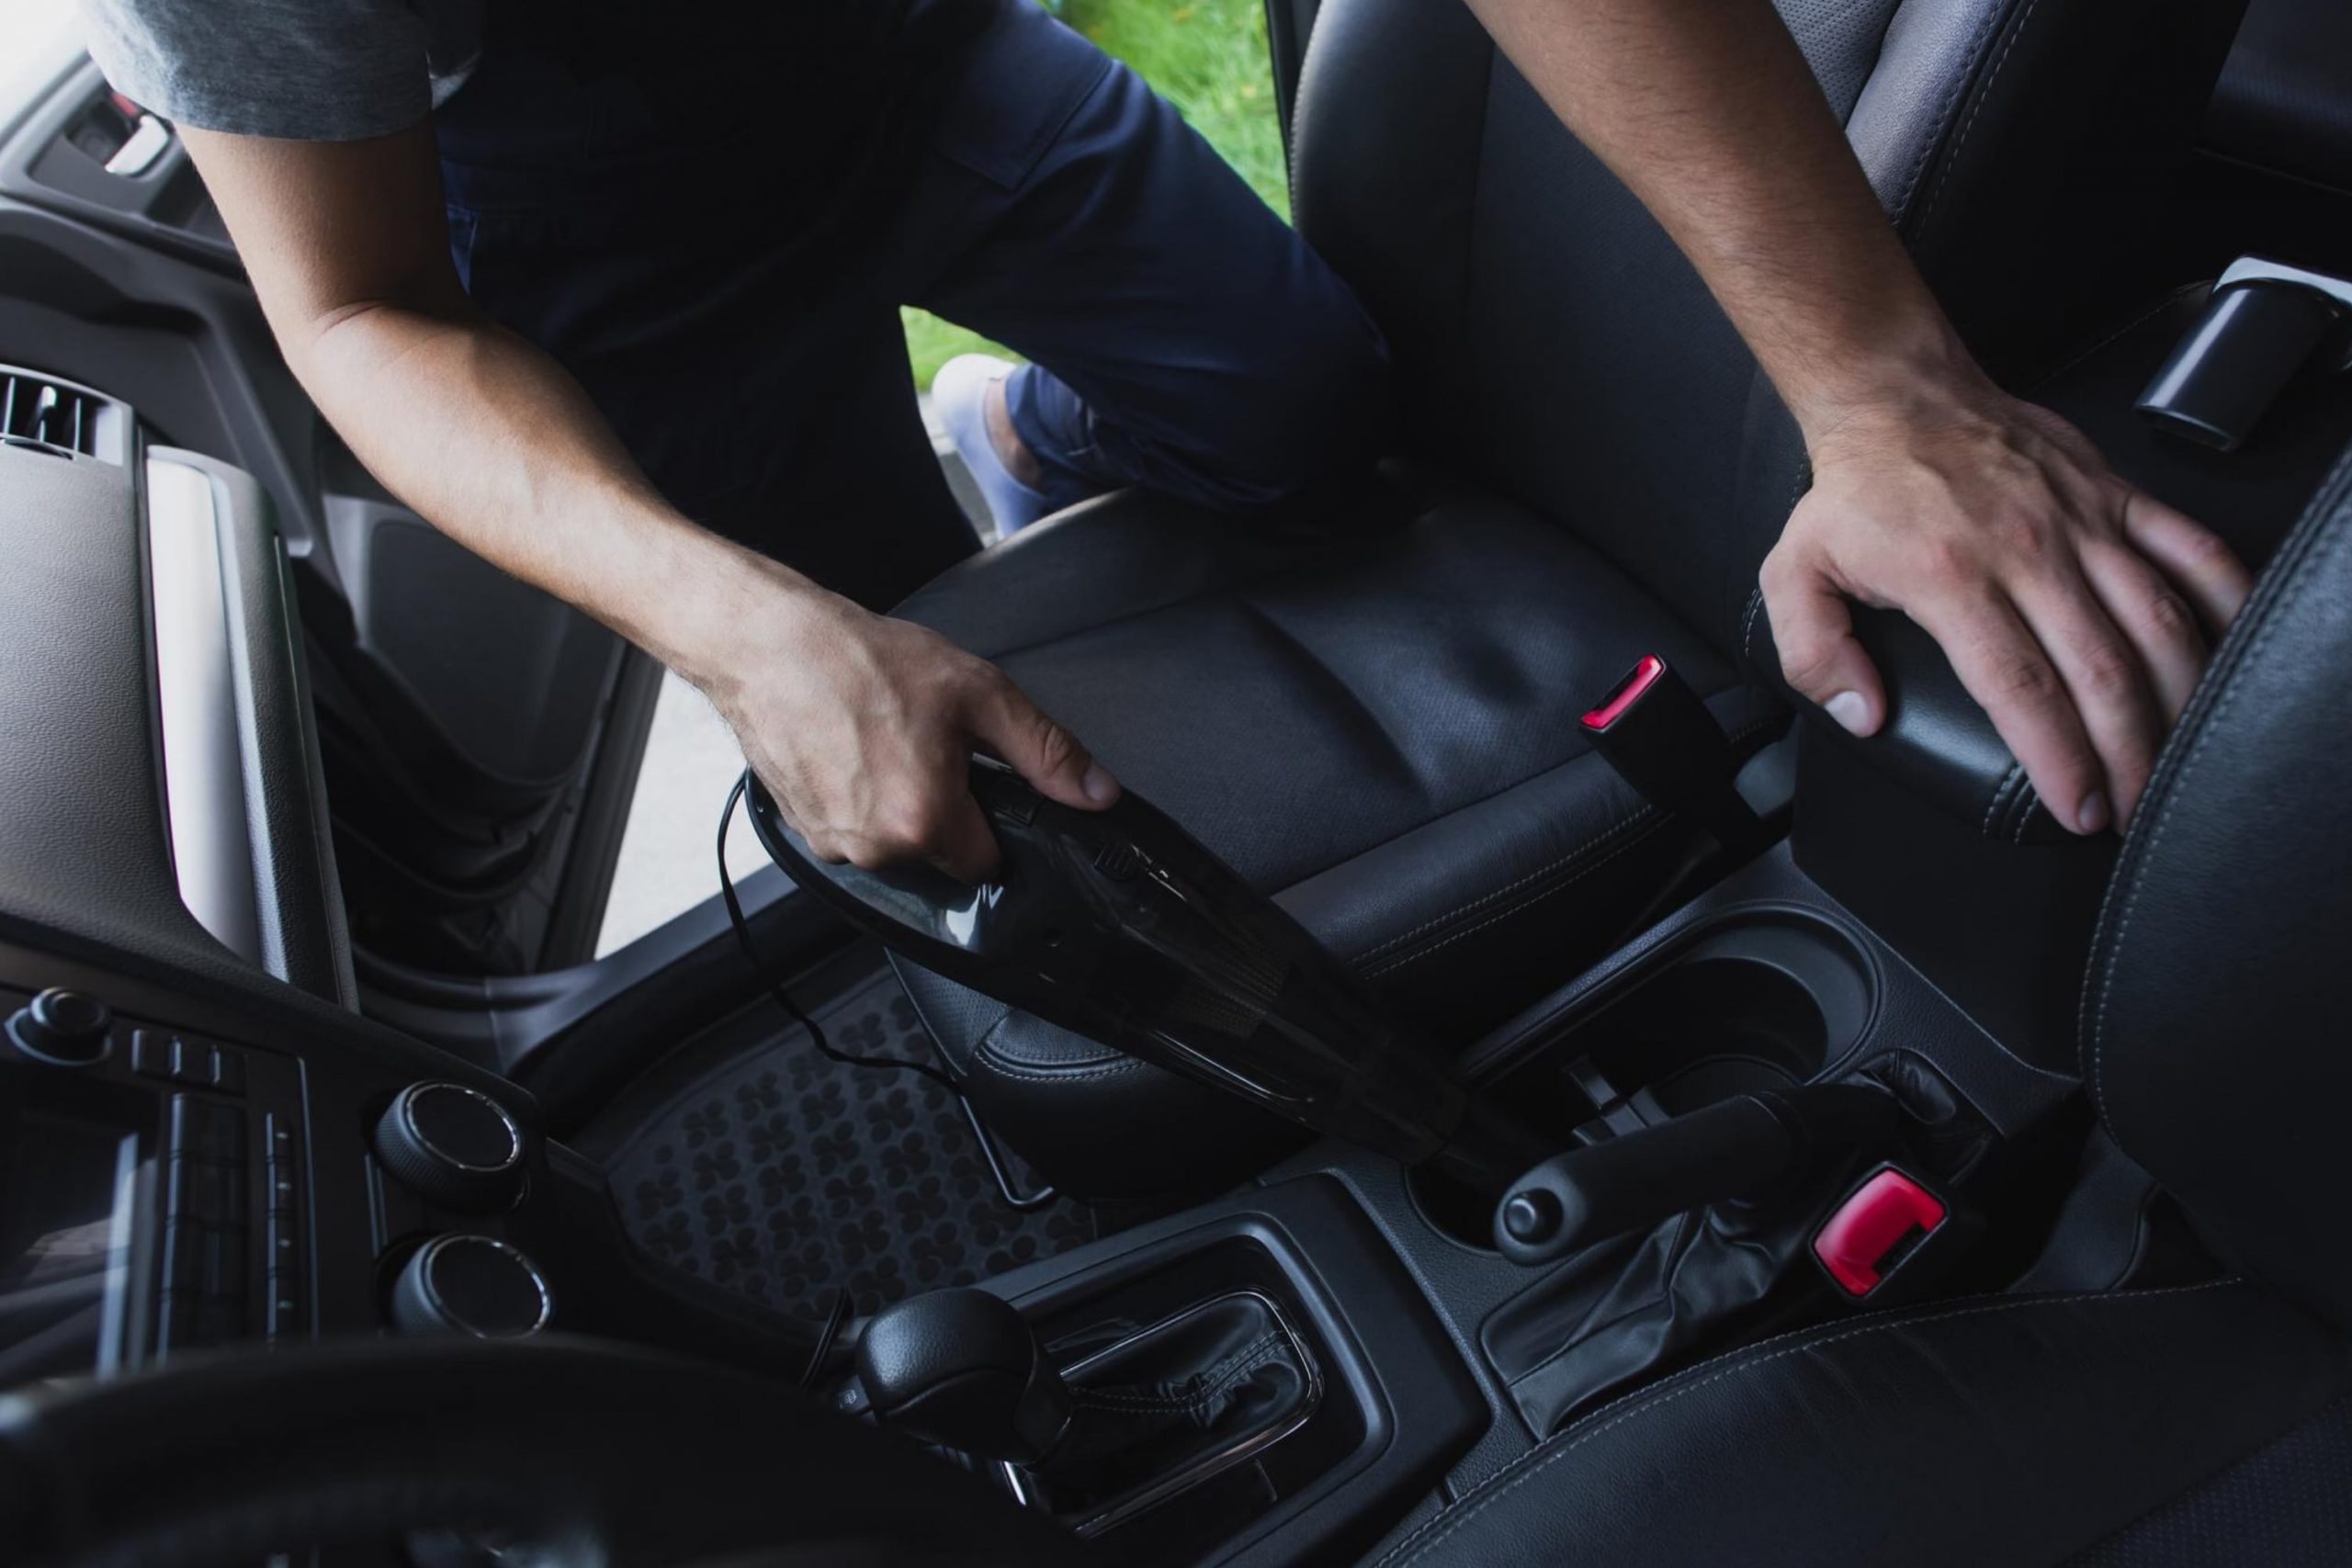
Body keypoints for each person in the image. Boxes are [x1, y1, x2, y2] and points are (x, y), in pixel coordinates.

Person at [85, 0, 2250, 888]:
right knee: (945, 731)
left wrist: (1875, 379)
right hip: (606, 234)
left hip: (909, 65)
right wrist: (745, 625)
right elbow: (359, 305)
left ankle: (1018, 430)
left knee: (1308, 407)